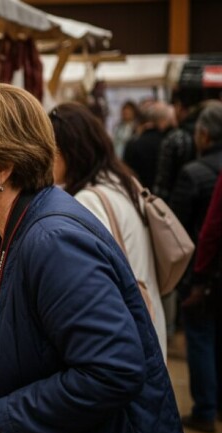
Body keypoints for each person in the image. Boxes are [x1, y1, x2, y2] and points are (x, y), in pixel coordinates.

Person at [0, 85, 190, 433]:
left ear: (4, 166)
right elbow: (41, 345)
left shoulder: (52, 241)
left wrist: (3, 415)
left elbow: (113, 370)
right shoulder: (14, 232)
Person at [49, 102, 167, 359]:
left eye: (51, 150)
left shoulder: (90, 200)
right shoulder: (121, 181)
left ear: (71, 150)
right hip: (146, 323)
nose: (46, 160)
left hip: (126, 340)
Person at [169, 101, 222, 433]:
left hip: (203, 270)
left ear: (203, 134)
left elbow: (185, 229)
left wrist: (196, 277)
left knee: (199, 338)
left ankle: (205, 409)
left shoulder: (194, 172)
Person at [123, 101, 173, 189]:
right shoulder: (167, 141)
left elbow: (127, 175)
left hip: (140, 193)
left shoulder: (132, 144)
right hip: (162, 197)